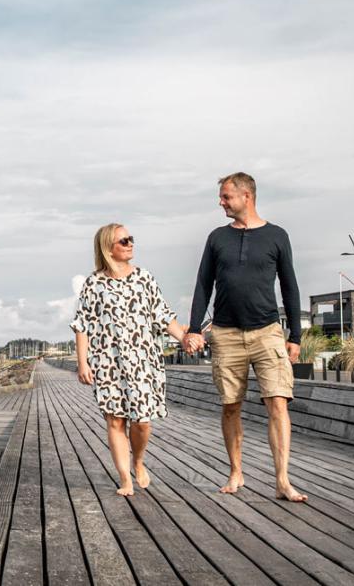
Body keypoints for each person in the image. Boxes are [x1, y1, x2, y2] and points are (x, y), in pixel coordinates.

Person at [183, 172, 307, 502]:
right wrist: (194, 328)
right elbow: (202, 285)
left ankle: (282, 480)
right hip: (225, 333)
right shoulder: (216, 238)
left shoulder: (277, 236)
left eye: (226, 197)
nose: (221, 202)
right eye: (221, 197)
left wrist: (295, 335)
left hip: (268, 332)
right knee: (230, 406)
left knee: (278, 403)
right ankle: (236, 471)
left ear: (246, 197)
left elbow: (290, 286)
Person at [71, 223, 188, 496]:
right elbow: (82, 325)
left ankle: (137, 460)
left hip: (143, 362)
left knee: (142, 421)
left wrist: (184, 337)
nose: (130, 243)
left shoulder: (144, 278)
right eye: (123, 240)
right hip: (108, 362)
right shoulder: (94, 282)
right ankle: (124, 478)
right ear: (108, 248)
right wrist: (83, 362)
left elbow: (163, 315)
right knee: (115, 421)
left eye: (130, 239)